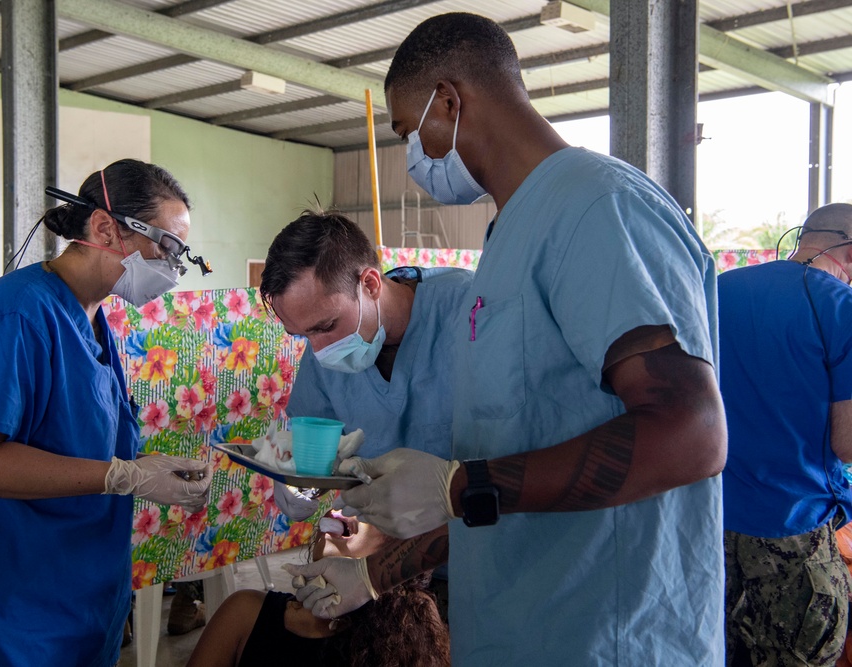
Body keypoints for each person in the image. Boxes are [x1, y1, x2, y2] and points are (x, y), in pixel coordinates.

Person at [287, 13, 728, 666]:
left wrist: (457, 485)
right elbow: (509, 489)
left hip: (606, 639)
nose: (413, 158)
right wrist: (379, 572)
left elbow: (692, 433)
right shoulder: (505, 241)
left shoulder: (596, 209)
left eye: (409, 132)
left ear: (449, 100)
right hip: (521, 631)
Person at [0, 159, 213, 667]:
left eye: (180, 254)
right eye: (165, 247)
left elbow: (74, 441)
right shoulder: (15, 314)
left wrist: (146, 468)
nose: (172, 266)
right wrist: (123, 476)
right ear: (105, 228)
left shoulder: (94, 318)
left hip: (68, 606)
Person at [259, 210, 472, 618]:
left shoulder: (467, 312)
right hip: (389, 567)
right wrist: (302, 482)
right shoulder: (324, 355)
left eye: (326, 326)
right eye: (303, 335)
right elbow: (316, 449)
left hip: (481, 554)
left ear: (370, 284)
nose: (318, 350)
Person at [720, 203, 852, 666]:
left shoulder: (715, 289)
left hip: (706, 528)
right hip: (791, 538)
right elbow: (847, 443)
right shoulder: (841, 306)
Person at [185, 513, 450, 667]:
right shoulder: (244, 613)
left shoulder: (412, 629)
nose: (340, 507)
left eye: (368, 503)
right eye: (340, 490)